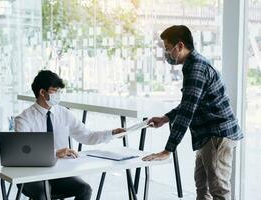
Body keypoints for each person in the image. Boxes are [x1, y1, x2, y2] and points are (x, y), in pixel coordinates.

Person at [142, 25, 243, 200]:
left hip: (217, 135)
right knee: (202, 187)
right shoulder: (192, 65)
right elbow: (190, 103)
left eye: (167, 48)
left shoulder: (196, 69)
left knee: (219, 191)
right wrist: (166, 118)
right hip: (208, 135)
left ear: (179, 46)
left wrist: (168, 150)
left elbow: (187, 112)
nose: (166, 53)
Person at [15, 70, 125, 200]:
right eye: (55, 91)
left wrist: (111, 133)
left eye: (59, 91)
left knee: (85, 189)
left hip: (59, 172)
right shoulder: (24, 119)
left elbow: (87, 135)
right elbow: (25, 152)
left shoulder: (64, 113)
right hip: (32, 174)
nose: (58, 95)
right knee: (43, 193)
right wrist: (55, 153)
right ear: (42, 93)